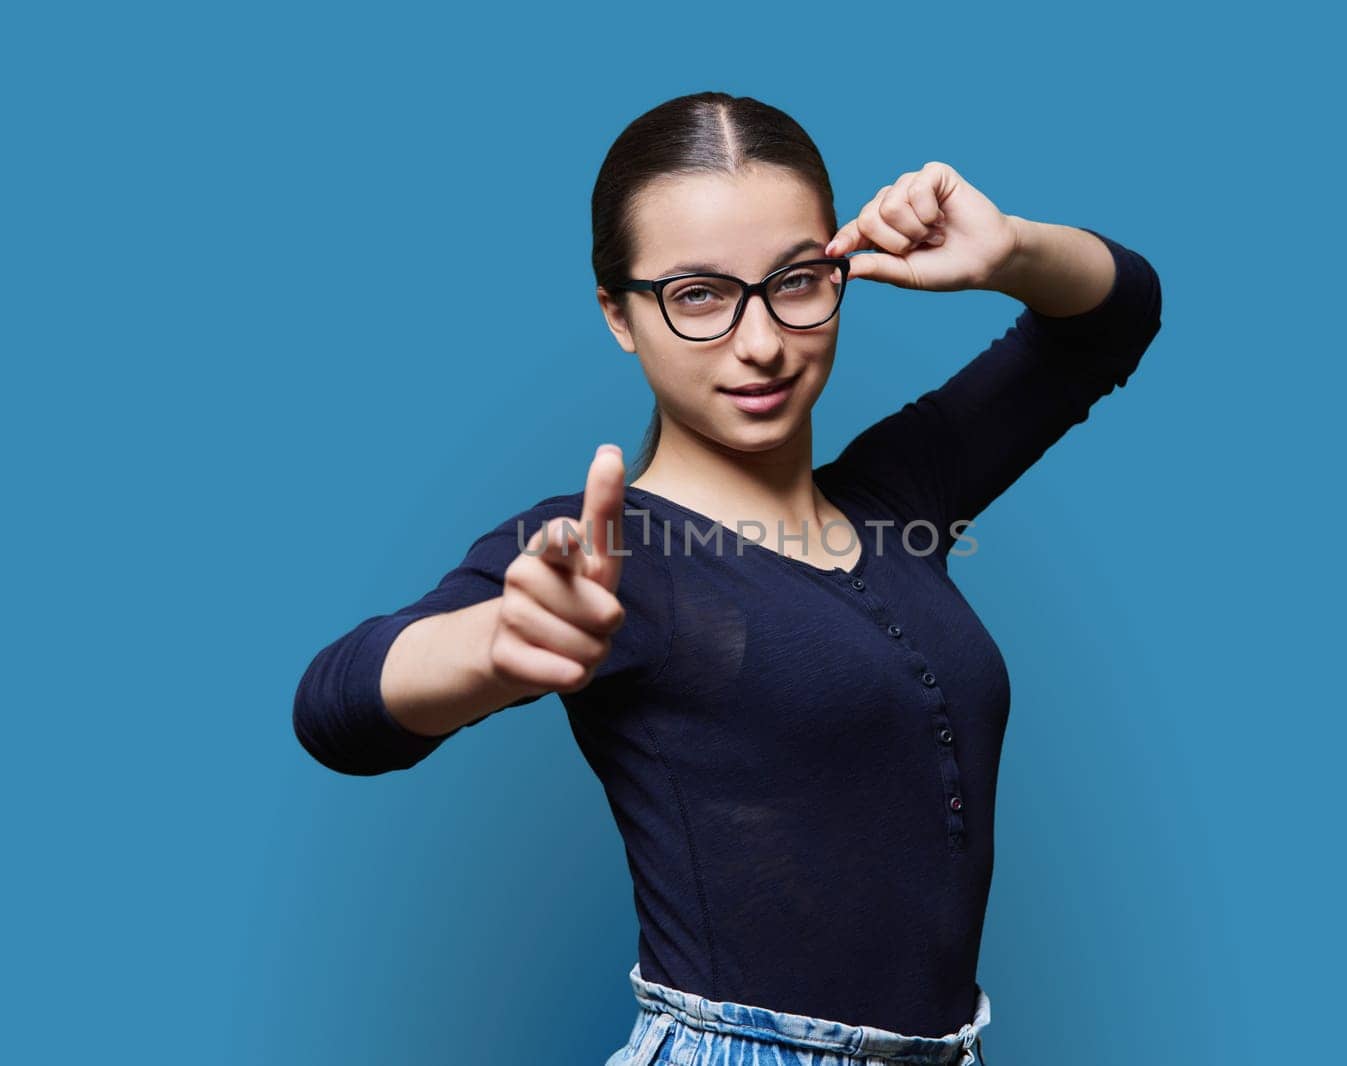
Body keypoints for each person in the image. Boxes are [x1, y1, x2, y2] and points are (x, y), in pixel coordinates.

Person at [293, 91, 1163, 1066]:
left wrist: (1006, 251)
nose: (760, 342)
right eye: (697, 294)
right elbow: (335, 704)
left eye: (796, 279)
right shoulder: (607, 551)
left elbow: (1110, 319)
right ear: (618, 315)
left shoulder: (900, 493)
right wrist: (488, 649)